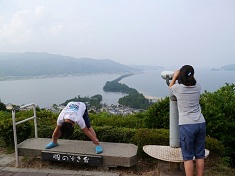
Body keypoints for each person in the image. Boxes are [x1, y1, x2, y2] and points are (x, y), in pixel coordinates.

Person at [169, 65, 206, 176]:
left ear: (181, 75)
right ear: (193, 75)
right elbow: (191, 81)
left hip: (187, 125)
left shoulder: (178, 88)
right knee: (200, 155)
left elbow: (170, 87)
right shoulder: (198, 87)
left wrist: (175, 76)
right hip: (200, 123)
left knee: (188, 156)